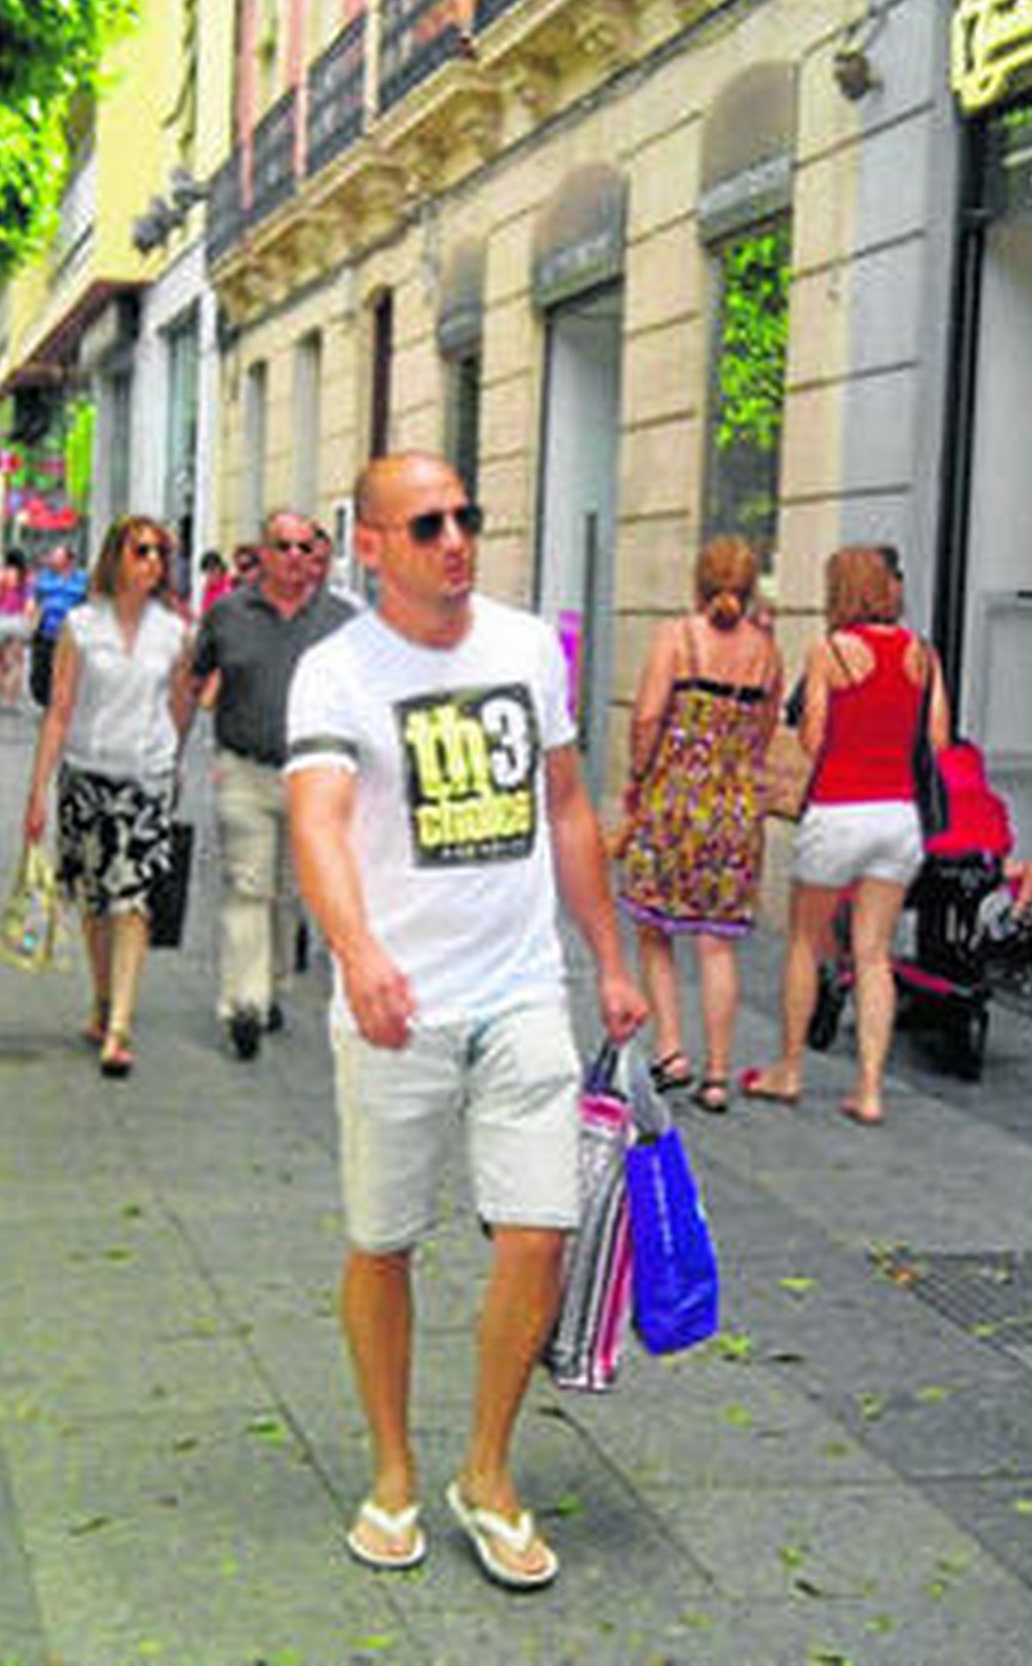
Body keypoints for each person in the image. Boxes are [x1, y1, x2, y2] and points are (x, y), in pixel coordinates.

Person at [286, 450, 646, 1586]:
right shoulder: (336, 671)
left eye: (465, 516)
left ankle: (487, 1469)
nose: (455, 539)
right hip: (398, 1006)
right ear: (373, 545)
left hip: (521, 990)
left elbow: (569, 808)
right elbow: (317, 822)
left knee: (538, 1232)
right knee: (383, 1241)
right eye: (426, 524)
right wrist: (359, 954)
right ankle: (392, 1470)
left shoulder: (527, 647)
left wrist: (609, 957)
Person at [741, 544, 948, 1125]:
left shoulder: (829, 651)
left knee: (807, 943)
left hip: (838, 810)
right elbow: (938, 739)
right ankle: (870, 1089)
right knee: (874, 952)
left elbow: (813, 738)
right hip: (899, 816)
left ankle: (788, 1069)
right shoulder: (923, 654)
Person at [21, 516, 195, 1077]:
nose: (152, 562)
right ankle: (101, 999)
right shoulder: (80, 626)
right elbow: (59, 710)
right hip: (87, 775)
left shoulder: (175, 632)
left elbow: (181, 703)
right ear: (115, 557)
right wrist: (38, 791)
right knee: (95, 901)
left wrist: (172, 761)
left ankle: (119, 1026)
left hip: (145, 780)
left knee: (133, 901)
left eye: (160, 553)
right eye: (141, 551)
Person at [617, 536, 783, 1111]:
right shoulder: (766, 651)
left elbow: (647, 717)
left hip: (675, 799)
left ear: (700, 579)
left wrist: (638, 774)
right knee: (717, 944)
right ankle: (716, 1075)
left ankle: (671, 1050)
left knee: (653, 928)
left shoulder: (677, 637)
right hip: (735, 807)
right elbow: (764, 732)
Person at [189, 510, 357, 1060]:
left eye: (304, 547)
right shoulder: (228, 613)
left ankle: (274, 980)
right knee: (247, 886)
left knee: (289, 893)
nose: (294, 557)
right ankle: (243, 1003)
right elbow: (197, 676)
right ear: (261, 554)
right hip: (244, 768)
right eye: (282, 546)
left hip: (314, 779)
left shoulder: (342, 620)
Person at [29, 543, 90, 709]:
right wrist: (32, 620)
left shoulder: (82, 579)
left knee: (66, 670)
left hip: (72, 634)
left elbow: (89, 602)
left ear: (68, 560)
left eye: (56, 556)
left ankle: (59, 703)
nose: (51, 559)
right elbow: (35, 600)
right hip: (47, 632)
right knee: (42, 671)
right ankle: (45, 700)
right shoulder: (44, 578)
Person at [0, 547, 33, 710]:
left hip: (0, 619)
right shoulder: (26, 577)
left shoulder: (0, 575)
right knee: (17, 664)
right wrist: (29, 620)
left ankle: (1, 698)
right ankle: (11, 701)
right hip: (18, 621)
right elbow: (29, 603)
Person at [197, 548, 234, 617]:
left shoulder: (230, 583)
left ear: (220, 567)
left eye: (213, 567)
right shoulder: (207, 592)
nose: (211, 571)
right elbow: (203, 615)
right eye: (207, 569)